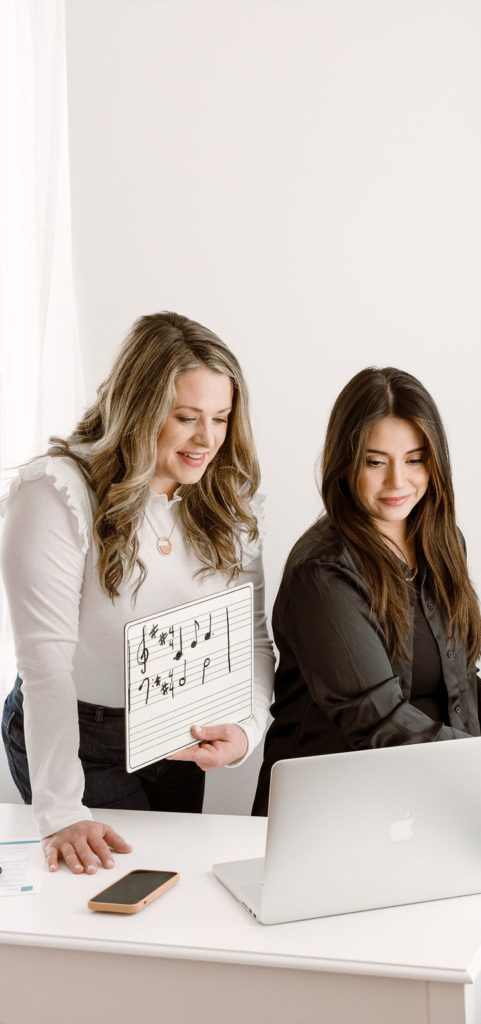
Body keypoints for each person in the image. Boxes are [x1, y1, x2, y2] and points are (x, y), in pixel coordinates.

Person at [251, 366, 481, 1023]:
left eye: (415, 459)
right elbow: (382, 724)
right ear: (343, 464)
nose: (398, 482)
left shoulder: (431, 541)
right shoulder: (322, 572)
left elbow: (453, 678)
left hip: (424, 803)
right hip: (340, 826)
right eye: (375, 462)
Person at [1, 312, 274, 876]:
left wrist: (246, 730)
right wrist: (61, 810)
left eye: (221, 418)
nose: (208, 440)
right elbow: (46, 665)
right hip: (79, 733)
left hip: (174, 728)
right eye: (186, 418)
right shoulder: (54, 492)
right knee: (117, 894)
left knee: (171, 890)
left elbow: (249, 639)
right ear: (139, 409)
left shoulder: (226, 497)